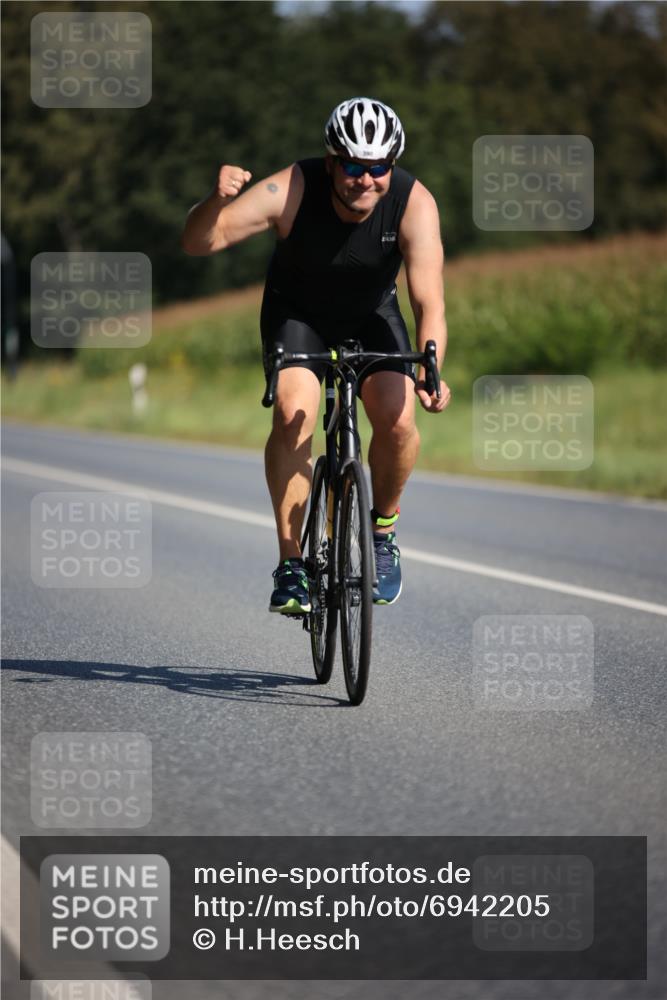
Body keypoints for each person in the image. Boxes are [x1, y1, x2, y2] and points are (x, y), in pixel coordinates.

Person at [182, 96, 451, 613]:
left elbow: (428, 297)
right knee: (292, 413)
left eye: (378, 168)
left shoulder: (414, 202)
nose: (365, 179)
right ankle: (291, 566)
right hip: (297, 314)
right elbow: (200, 242)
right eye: (352, 165)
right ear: (330, 162)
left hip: (372, 314)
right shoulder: (289, 190)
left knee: (397, 421)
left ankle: (382, 535)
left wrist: (432, 364)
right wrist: (213, 201)